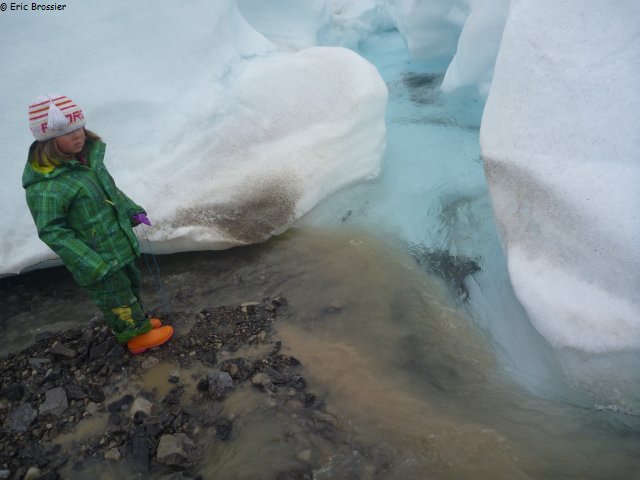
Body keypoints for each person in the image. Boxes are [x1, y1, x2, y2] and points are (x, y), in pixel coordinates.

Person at [22, 94, 173, 354]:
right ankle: (135, 337)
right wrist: (92, 263)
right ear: (47, 140)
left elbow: (111, 192)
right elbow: (52, 232)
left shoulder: (88, 162)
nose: (78, 136)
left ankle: (140, 323)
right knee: (116, 297)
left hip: (117, 244)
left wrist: (131, 211)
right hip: (96, 259)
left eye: (79, 127)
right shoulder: (47, 187)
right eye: (67, 132)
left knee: (130, 284)